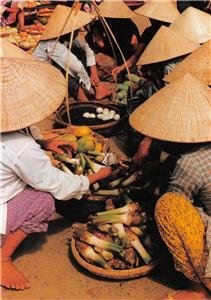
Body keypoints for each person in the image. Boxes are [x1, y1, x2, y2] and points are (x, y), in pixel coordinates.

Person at [0, 52, 113, 290]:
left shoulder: (12, 128)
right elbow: (56, 184)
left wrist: (45, 143)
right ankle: (3, 258)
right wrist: (97, 176)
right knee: (43, 201)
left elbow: (21, 131)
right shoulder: (20, 148)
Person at [130, 73, 211, 299]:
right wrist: (159, 168)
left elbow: (176, 201)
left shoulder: (190, 163)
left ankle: (198, 289)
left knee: (167, 207)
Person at [33, 5, 111, 102]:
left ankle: (98, 90)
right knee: (67, 72)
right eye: (75, 31)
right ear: (68, 31)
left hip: (52, 68)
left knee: (80, 53)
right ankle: (83, 102)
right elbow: (77, 66)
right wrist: (88, 82)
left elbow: (87, 47)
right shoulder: (53, 43)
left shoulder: (66, 38)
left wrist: (93, 72)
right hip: (41, 76)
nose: (77, 33)